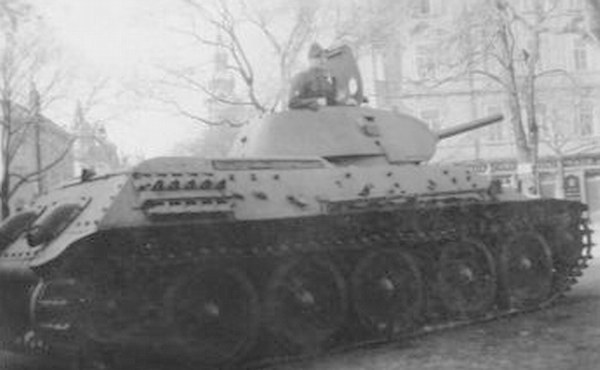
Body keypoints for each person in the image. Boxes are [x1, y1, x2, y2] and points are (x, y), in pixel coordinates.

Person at [288, 43, 337, 110]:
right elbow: (292, 102)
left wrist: (345, 102)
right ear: (310, 59)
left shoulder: (328, 82)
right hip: (306, 119)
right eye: (317, 57)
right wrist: (315, 101)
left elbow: (332, 102)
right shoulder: (301, 77)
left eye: (324, 57)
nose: (322, 60)